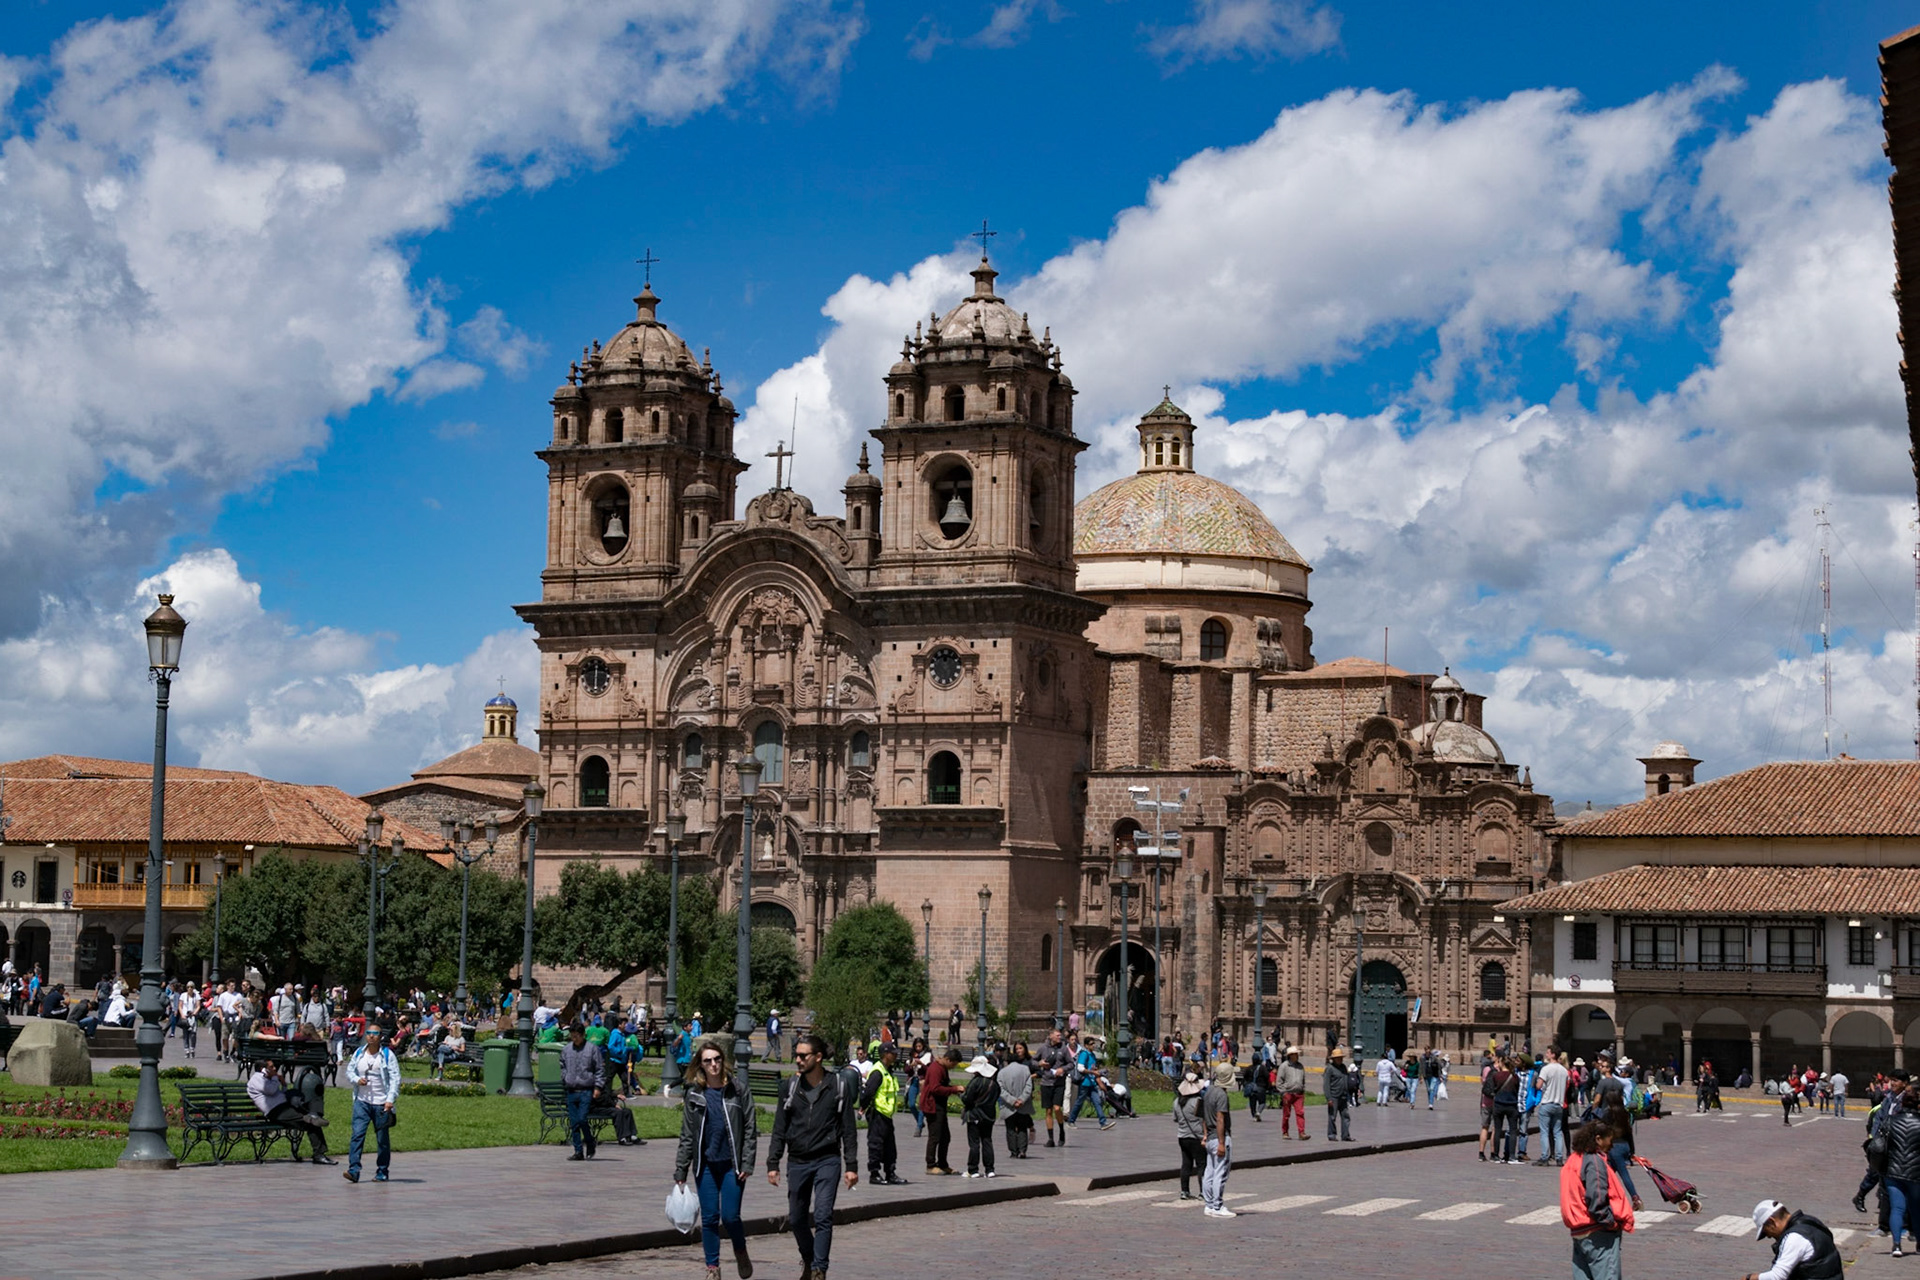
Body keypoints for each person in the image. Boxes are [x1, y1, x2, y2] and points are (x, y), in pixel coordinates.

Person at [766, 1034, 859, 1280]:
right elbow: (779, 1128)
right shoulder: (789, 1087)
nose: (797, 1059)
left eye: (802, 1055)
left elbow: (848, 1129)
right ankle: (808, 1260)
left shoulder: (837, 1086)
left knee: (823, 1214)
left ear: (818, 1057)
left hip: (827, 1160)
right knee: (796, 1219)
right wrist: (773, 1162)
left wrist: (851, 1165)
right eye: (796, 1055)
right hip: (797, 1161)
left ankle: (819, 1270)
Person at [675, 1041, 757, 1280]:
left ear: (723, 1060)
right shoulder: (695, 1094)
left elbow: (750, 1129)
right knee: (710, 1218)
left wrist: (747, 1162)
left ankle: (740, 1250)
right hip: (706, 1165)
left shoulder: (738, 1089)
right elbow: (687, 1134)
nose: (713, 1065)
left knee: (730, 1216)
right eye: (708, 1061)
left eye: (717, 1059)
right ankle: (713, 1268)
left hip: (733, 1165)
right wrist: (681, 1169)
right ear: (700, 1065)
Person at [1561, 1119, 1633, 1279]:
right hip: (1596, 1229)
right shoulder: (1593, 1161)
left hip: (1579, 1228)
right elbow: (1597, 1198)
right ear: (1598, 1139)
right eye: (1610, 1139)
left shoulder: (1574, 1159)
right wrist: (1610, 1222)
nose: (1611, 1145)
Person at [246, 1058, 333, 1164]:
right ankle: (309, 1120)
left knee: (311, 1108)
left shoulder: (268, 1078)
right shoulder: (256, 1078)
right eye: (271, 1067)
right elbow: (271, 1091)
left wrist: (284, 1085)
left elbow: (279, 1093)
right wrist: (275, 1078)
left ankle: (314, 1117)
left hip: (285, 1106)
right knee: (309, 1122)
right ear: (263, 1069)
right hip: (276, 1111)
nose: (275, 1069)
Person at [343, 1026, 399, 1184]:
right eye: (368, 1033)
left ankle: (382, 1170)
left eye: (375, 1034)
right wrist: (356, 1080)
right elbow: (349, 1071)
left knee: (382, 1140)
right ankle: (354, 1170)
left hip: (381, 1103)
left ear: (380, 1036)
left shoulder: (387, 1055)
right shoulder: (359, 1053)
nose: (371, 1036)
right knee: (357, 1135)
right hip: (362, 1101)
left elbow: (395, 1078)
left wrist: (390, 1099)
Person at [1743, 1198, 1843, 1280]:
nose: (1769, 1236)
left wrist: (1751, 1278)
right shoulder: (1810, 1221)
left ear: (1772, 1222)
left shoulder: (1794, 1238)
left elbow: (1777, 1276)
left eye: (1766, 1232)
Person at [858, 1042, 907, 1185]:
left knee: (890, 1147)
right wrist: (863, 1107)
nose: (896, 1055)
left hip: (886, 1114)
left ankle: (890, 1173)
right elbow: (868, 1092)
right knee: (876, 1144)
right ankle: (874, 1174)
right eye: (893, 1053)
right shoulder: (878, 1072)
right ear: (885, 1054)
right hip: (877, 1113)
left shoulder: (888, 1071)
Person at [560, 1022, 608, 1161]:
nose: (574, 1039)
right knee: (574, 1122)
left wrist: (598, 1087)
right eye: (572, 1036)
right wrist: (565, 1077)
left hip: (586, 1089)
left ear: (582, 1035)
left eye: (576, 1037)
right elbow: (562, 1065)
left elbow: (599, 1069)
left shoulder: (592, 1049)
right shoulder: (567, 1050)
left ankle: (589, 1141)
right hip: (571, 1089)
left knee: (582, 1119)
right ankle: (578, 1150)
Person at [1885, 1085, 1920, 1257]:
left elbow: (1881, 1143)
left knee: (1897, 1208)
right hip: (1915, 1171)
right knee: (1916, 1208)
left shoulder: (1891, 1120)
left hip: (1893, 1169)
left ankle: (1897, 1245)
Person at [1201, 1060, 1236, 1217]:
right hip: (1219, 1137)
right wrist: (1222, 1142)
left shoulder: (1208, 1091)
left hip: (1210, 1137)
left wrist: (1205, 1135)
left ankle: (1208, 1204)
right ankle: (1217, 1206)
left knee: (1209, 1171)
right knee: (1220, 1173)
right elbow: (1220, 1118)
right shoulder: (1221, 1095)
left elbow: (1202, 1115)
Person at [920, 1045, 962, 1174]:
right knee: (935, 1136)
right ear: (948, 1060)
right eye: (953, 1064)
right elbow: (935, 1088)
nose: (953, 1067)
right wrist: (953, 1089)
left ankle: (943, 1164)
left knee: (945, 1137)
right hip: (933, 1106)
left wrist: (952, 1089)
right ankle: (930, 1165)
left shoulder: (942, 1068)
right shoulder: (935, 1069)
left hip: (940, 1106)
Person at [962, 1052, 1001, 1177]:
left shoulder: (976, 1082)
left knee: (974, 1143)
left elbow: (967, 1099)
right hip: (989, 1116)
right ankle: (989, 1169)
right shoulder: (994, 1084)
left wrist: (961, 1094)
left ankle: (973, 1169)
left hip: (974, 1116)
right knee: (987, 1141)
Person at [1173, 1067, 1207, 1201]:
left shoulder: (1176, 1102)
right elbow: (1204, 1120)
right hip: (1196, 1137)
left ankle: (1184, 1191)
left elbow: (1175, 1119)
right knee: (1201, 1164)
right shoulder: (1198, 1102)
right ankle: (1203, 1191)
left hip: (1182, 1136)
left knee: (1186, 1163)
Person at [1534, 1045, 1571, 1167]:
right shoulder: (1564, 1071)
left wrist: (1535, 1083)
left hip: (1547, 1102)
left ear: (1553, 1055)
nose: (1546, 1054)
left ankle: (1545, 1157)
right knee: (1557, 1132)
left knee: (1544, 1131)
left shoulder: (1546, 1069)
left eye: (1548, 1052)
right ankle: (1559, 1157)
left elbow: (1539, 1086)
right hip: (1559, 1104)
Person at [998, 1041, 1034, 1160]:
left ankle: (1013, 1151)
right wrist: (1021, 1100)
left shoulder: (1002, 1073)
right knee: (1023, 1128)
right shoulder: (1025, 1070)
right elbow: (1029, 1087)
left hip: (1009, 1106)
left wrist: (1012, 1101)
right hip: (1023, 1105)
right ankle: (1022, 1150)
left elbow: (1001, 1090)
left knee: (1010, 1129)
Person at [1036, 1028, 1071, 1147]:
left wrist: (1063, 1069)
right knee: (1048, 1110)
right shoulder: (1043, 1048)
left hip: (1059, 1083)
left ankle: (1061, 1130)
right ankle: (1050, 1138)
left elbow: (1071, 1063)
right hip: (1046, 1082)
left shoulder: (1063, 1049)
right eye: (1057, 1035)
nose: (1059, 1037)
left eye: (1060, 1035)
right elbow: (1033, 1061)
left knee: (1057, 1108)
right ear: (1050, 1036)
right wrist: (1039, 1064)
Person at [1274, 1044, 1308, 1139]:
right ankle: (1285, 1132)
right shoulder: (1284, 1066)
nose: (1297, 1056)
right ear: (1290, 1055)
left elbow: (1303, 1080)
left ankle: (1301, 1132)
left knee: (1300, 1113)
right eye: (1295, 1054)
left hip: (1298, 1094)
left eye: (1297, 1054)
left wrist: (1303, 1090)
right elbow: (1279, 1081)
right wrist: (1283, 1093)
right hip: (1288, 1093)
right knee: (1286, 1114)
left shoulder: (1300, 1066)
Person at [1325, 1044, 1354, 1141]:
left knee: (1346, 1116)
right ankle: (1332, 1135)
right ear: (1333, 1059)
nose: (1340, 1060)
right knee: (1332, 1117)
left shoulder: (1343, 1067)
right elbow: (1326, 1084)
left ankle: (1345, 1135)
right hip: (1334, 1096)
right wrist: (1328, 1098)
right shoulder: (1329, 1069)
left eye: (1341, 1058)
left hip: (1343, 1096)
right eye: (1338, 1058)